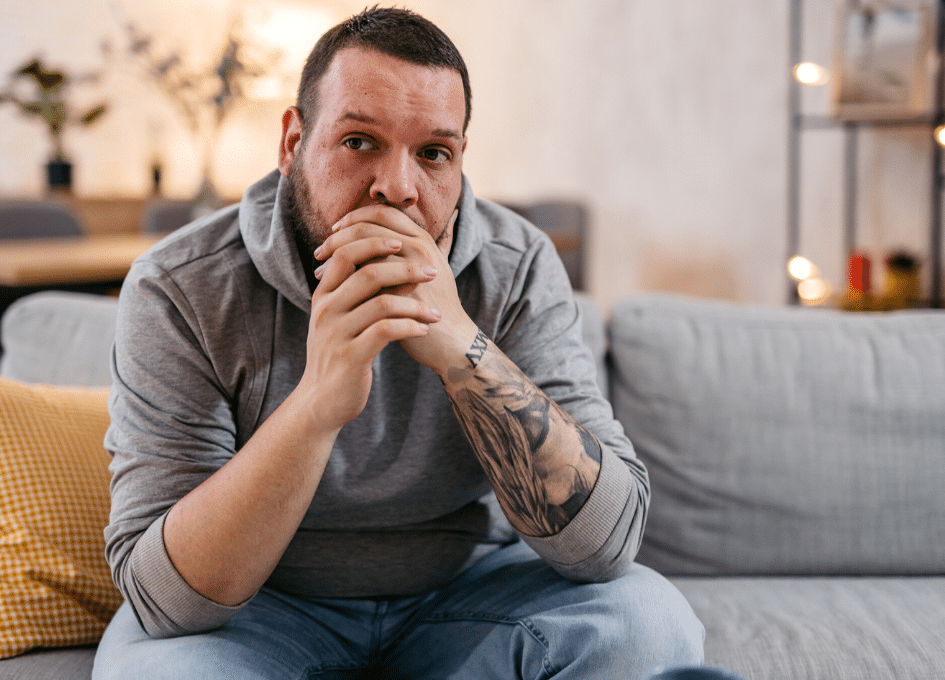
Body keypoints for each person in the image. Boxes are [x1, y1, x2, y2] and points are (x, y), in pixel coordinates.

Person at [93, 7, 706, 679]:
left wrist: (461, 346)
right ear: (293, 142)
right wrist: (318, 404)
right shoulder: (179, 286)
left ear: (460, 160)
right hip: (259, 614)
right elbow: (168, 602)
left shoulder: (519, 265)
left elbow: (607, 548)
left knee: (649, 627)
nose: (397, 188)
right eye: (359, 141)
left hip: (470, 597)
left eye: (433, 153)